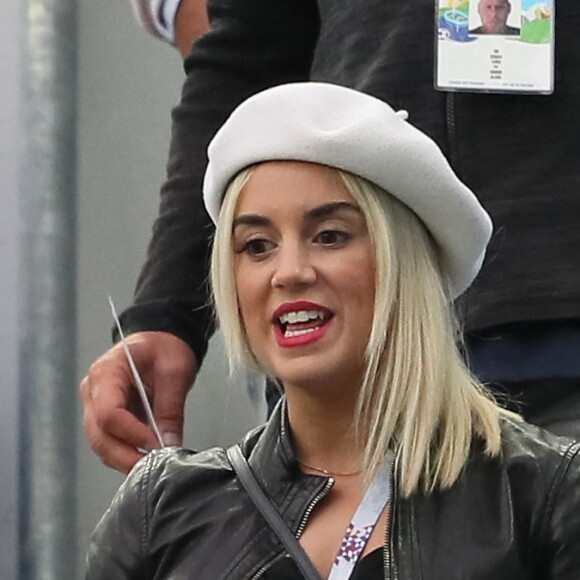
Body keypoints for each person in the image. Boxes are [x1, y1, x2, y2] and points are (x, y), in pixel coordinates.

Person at [85, 83, 580, 580]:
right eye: (257, 245)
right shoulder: (161, 508)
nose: (289, 272)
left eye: (330, 236)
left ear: (401, 264)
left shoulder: (547, 495)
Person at [81, 0, 580, 474]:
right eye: (258, 247)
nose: (288, 270)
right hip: (350, 385)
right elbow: (244, 62)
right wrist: (165, 313)